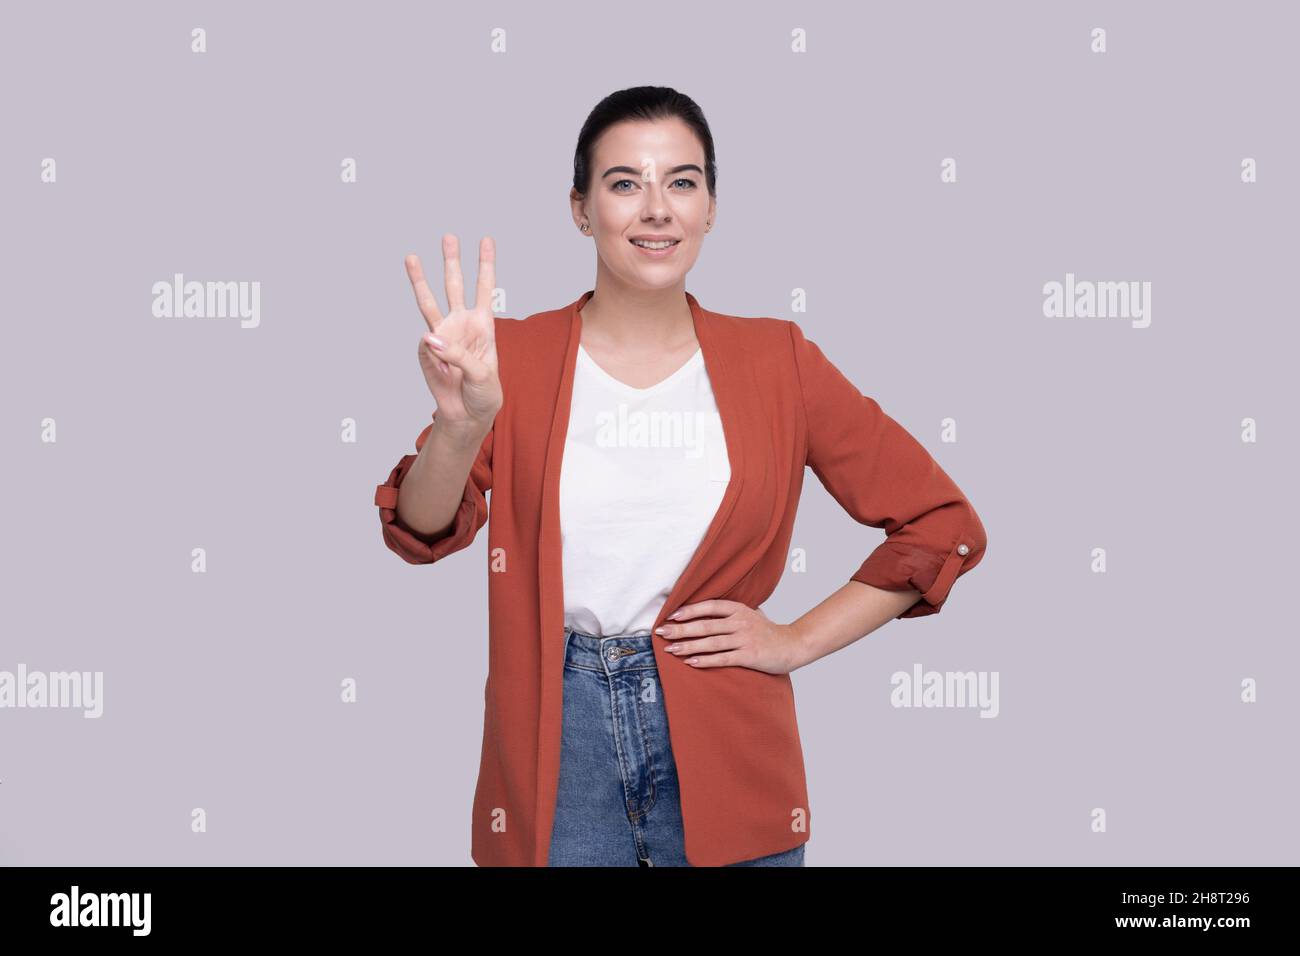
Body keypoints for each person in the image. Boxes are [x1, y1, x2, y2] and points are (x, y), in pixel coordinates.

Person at [375, 86, 988, 867]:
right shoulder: (514, 358)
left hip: (728, 746)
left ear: (711, 207)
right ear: (580, 209)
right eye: (625, 183)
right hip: (556, 751)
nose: (656, 207)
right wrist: (461, 428)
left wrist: (796, 640)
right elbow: (421, 528)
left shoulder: (777, 360)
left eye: (683, 181)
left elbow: (943, 523)